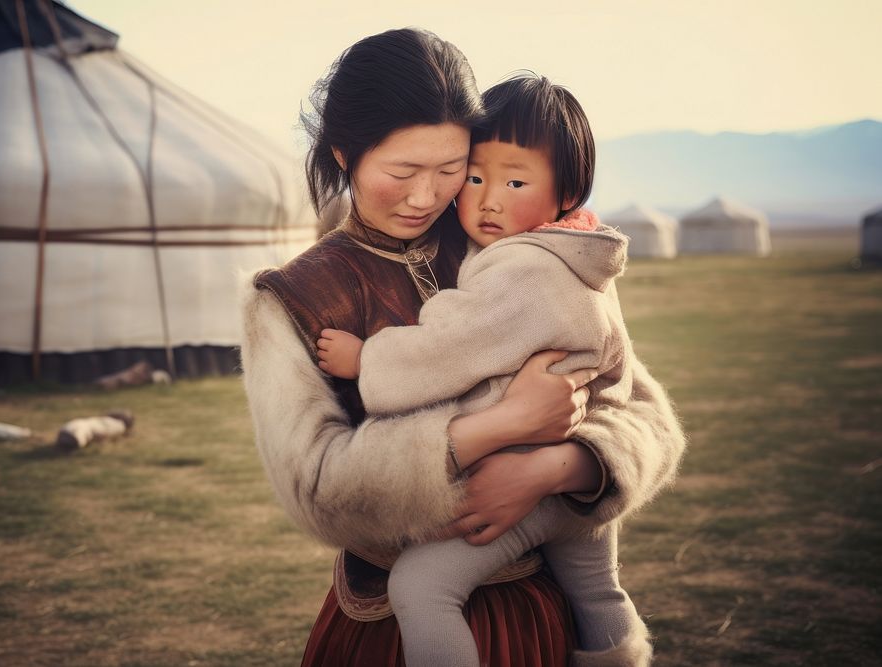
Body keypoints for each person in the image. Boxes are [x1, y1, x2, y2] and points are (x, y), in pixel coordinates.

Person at [239, 28, 685, 667]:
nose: (428, 197)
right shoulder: (295, 297)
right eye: (402, 171)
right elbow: (318, 489)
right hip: (393, 625)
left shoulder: (511, 248)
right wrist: (497, 427)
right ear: (345, 154)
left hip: (541, 609)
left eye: (451, 170)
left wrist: (557, 468)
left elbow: (645, 417)